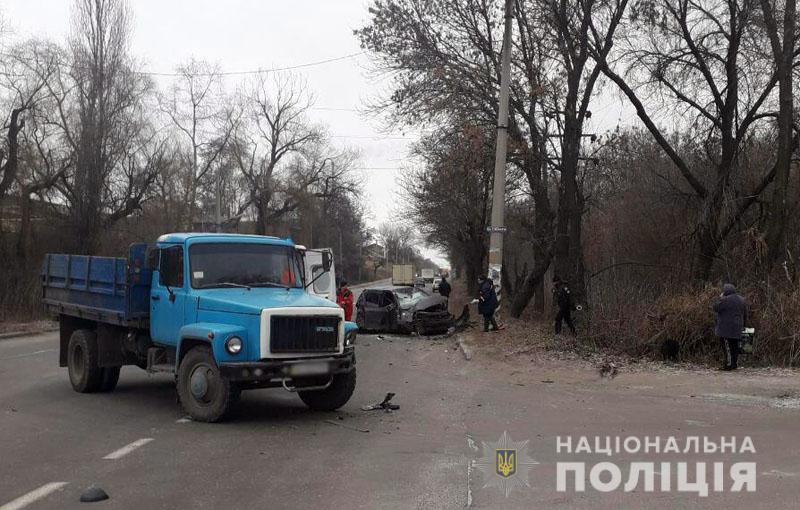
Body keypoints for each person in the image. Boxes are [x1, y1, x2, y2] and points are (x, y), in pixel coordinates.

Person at [713, 283, 747, 371]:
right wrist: (744, 325)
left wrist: (720, 298)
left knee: (727, 347)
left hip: (725, 328)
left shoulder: (724, 300)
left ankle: (728, 365)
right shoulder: (742, 299)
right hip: (738, 327)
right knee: (735, 347)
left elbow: (716, 307)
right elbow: (745, 314)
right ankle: (734, 364)